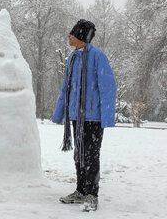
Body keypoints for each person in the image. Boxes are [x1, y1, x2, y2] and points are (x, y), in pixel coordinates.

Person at [52, 19, 117, 211]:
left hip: (93, 118)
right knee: (79, 155)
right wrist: (59, 114)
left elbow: (108, 87)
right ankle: (80, 191)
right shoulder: (73, 58)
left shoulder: (98, 56)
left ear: (81, 36)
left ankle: (91, 195)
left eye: (71, 33)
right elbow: (67, 88)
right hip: (76, 117)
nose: (68, 36)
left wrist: (106, 118)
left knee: (91, 156)